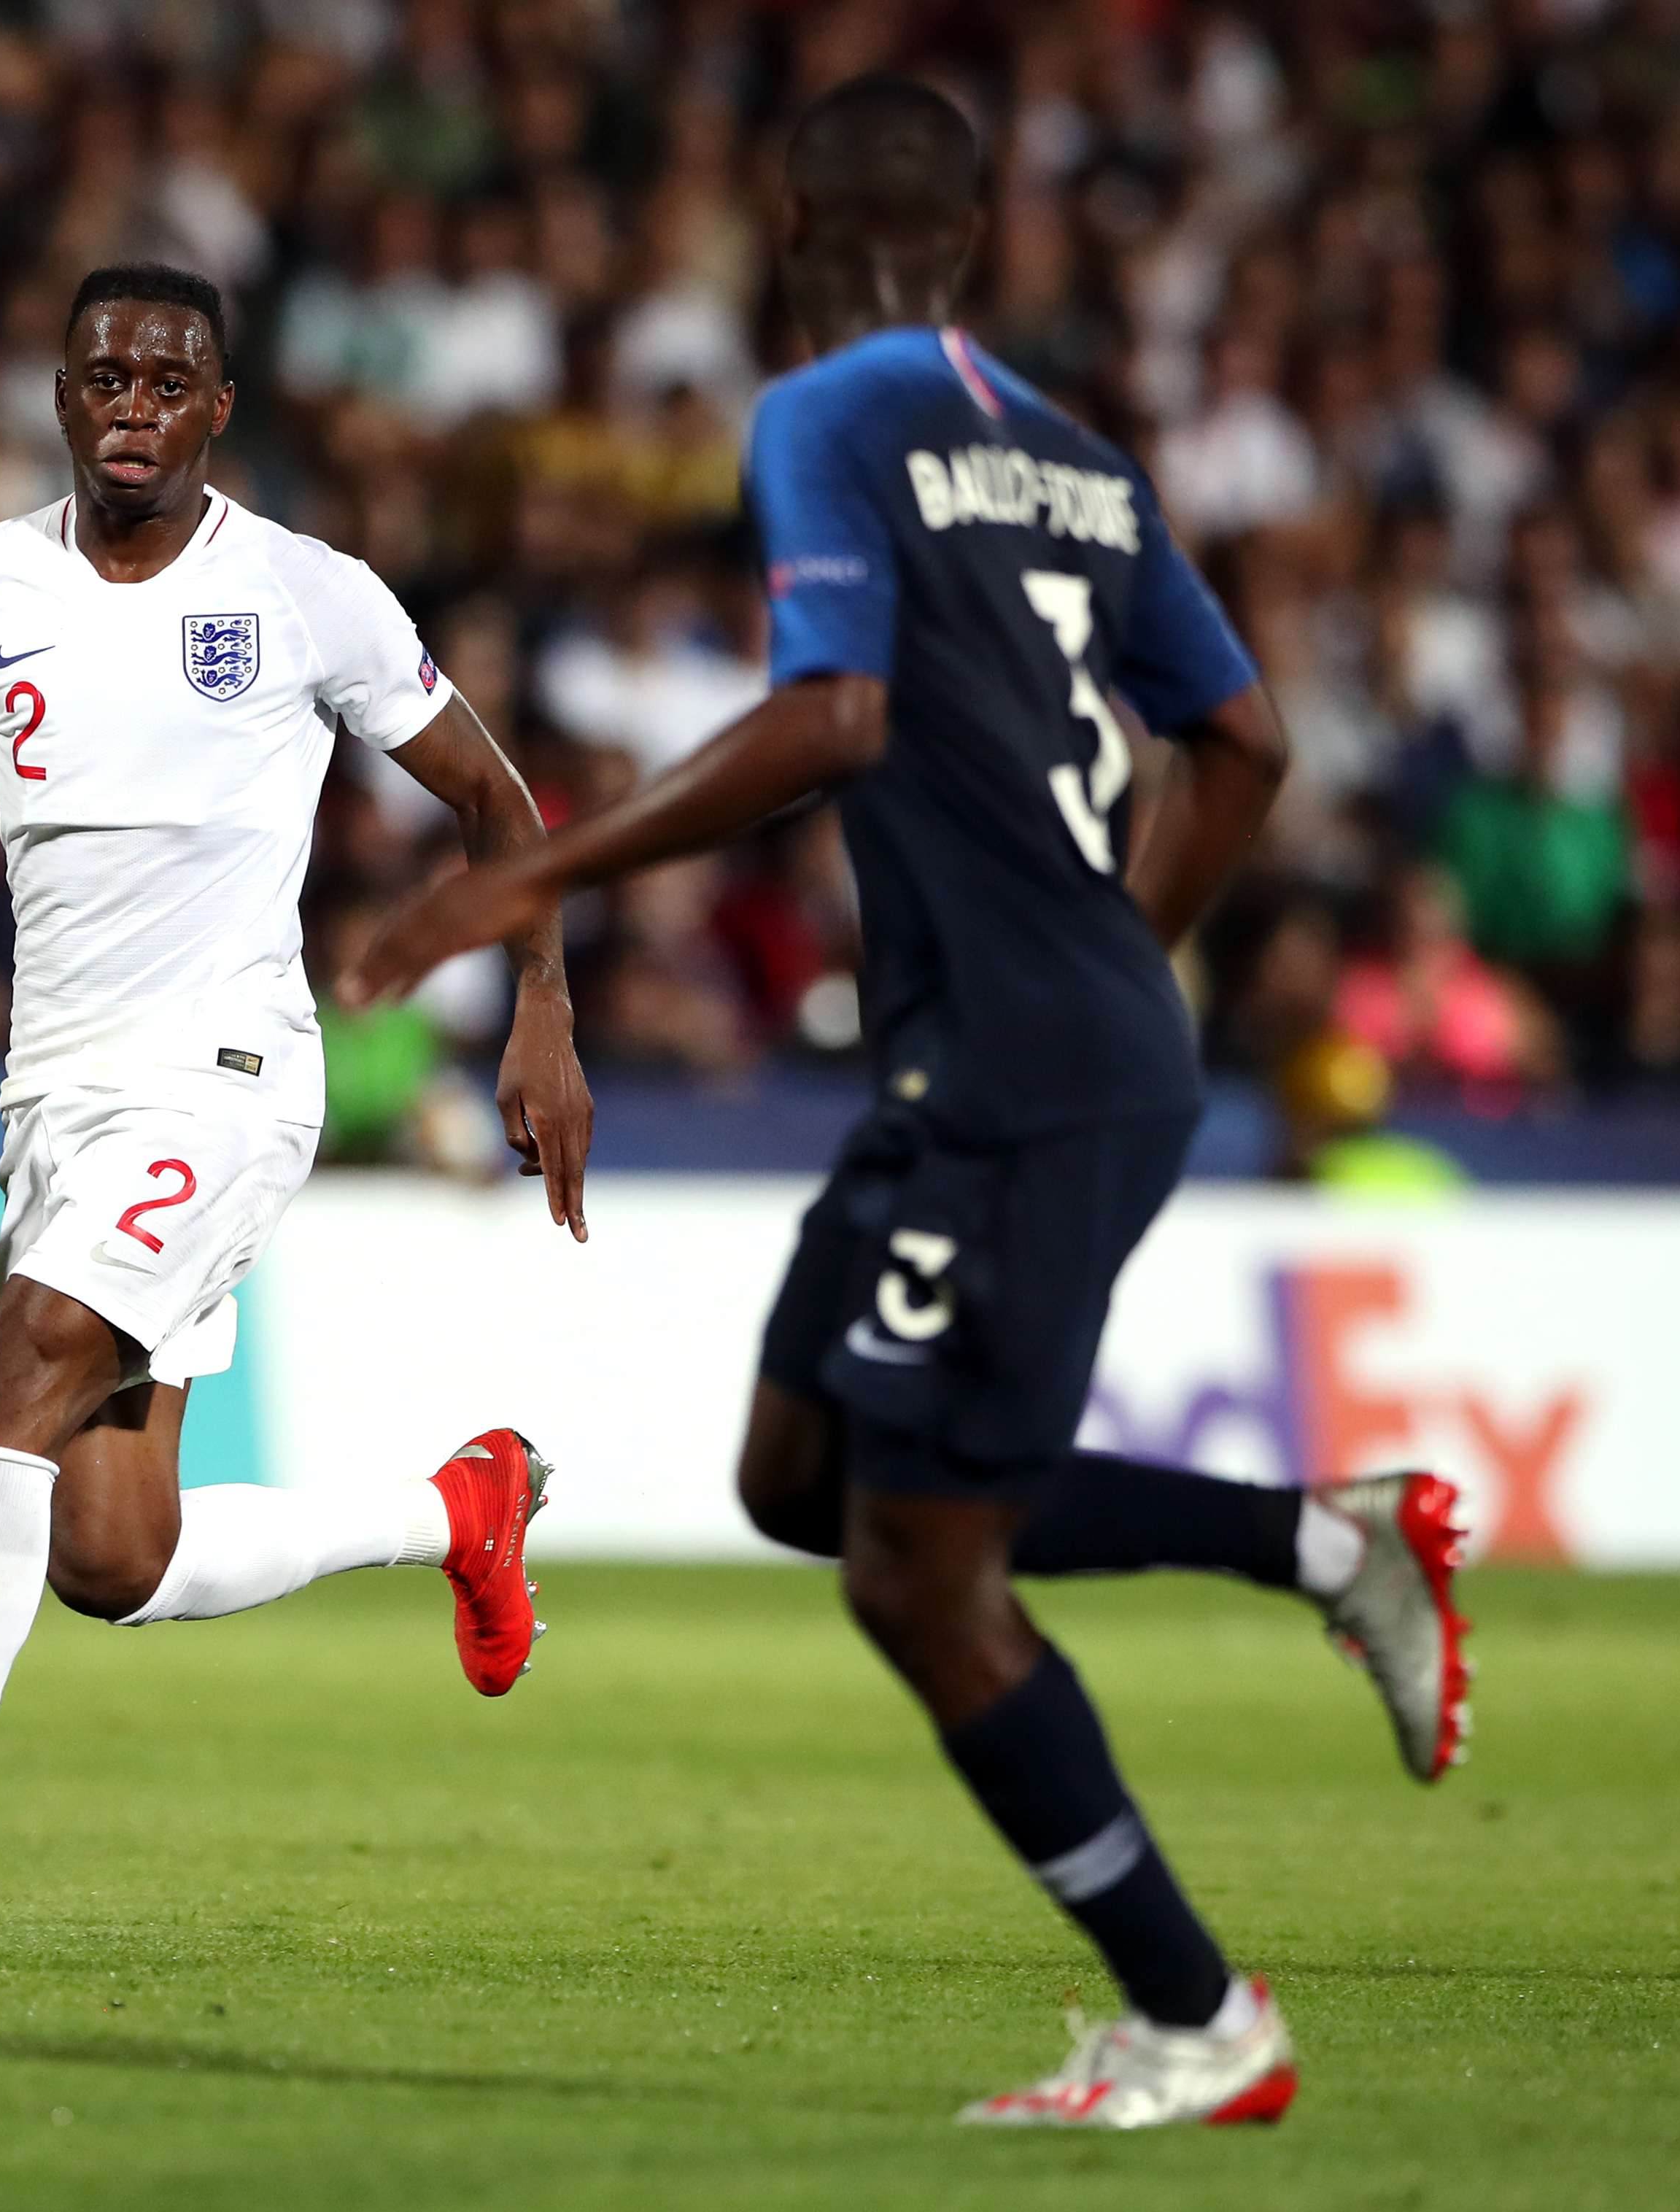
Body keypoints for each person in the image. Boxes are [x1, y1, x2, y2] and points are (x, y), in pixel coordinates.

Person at [353, 79, 1466, 2130]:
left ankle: (1201, 2020)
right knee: (804, 1478)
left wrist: (535, 868)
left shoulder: (823, 415)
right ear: (975, 242)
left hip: (1021, 1068)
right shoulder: (1080, 461)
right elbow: (1245, 741)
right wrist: (1121, 948)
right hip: (1013, 1052)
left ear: (789, 224)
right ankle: (1322, 1543)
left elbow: (837, 714)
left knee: (912, 1576)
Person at [0, 263, 595, 1956]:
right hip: (60, 1094)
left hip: (228, 1079)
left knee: (9, 1365)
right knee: (109, 1555)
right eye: (104, 377)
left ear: (218, 410)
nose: (133, 406)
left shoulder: (306, 594)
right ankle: (456, 1510)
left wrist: (543, 1002)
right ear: (59, 393)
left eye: (169, 382)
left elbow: (492, 794)